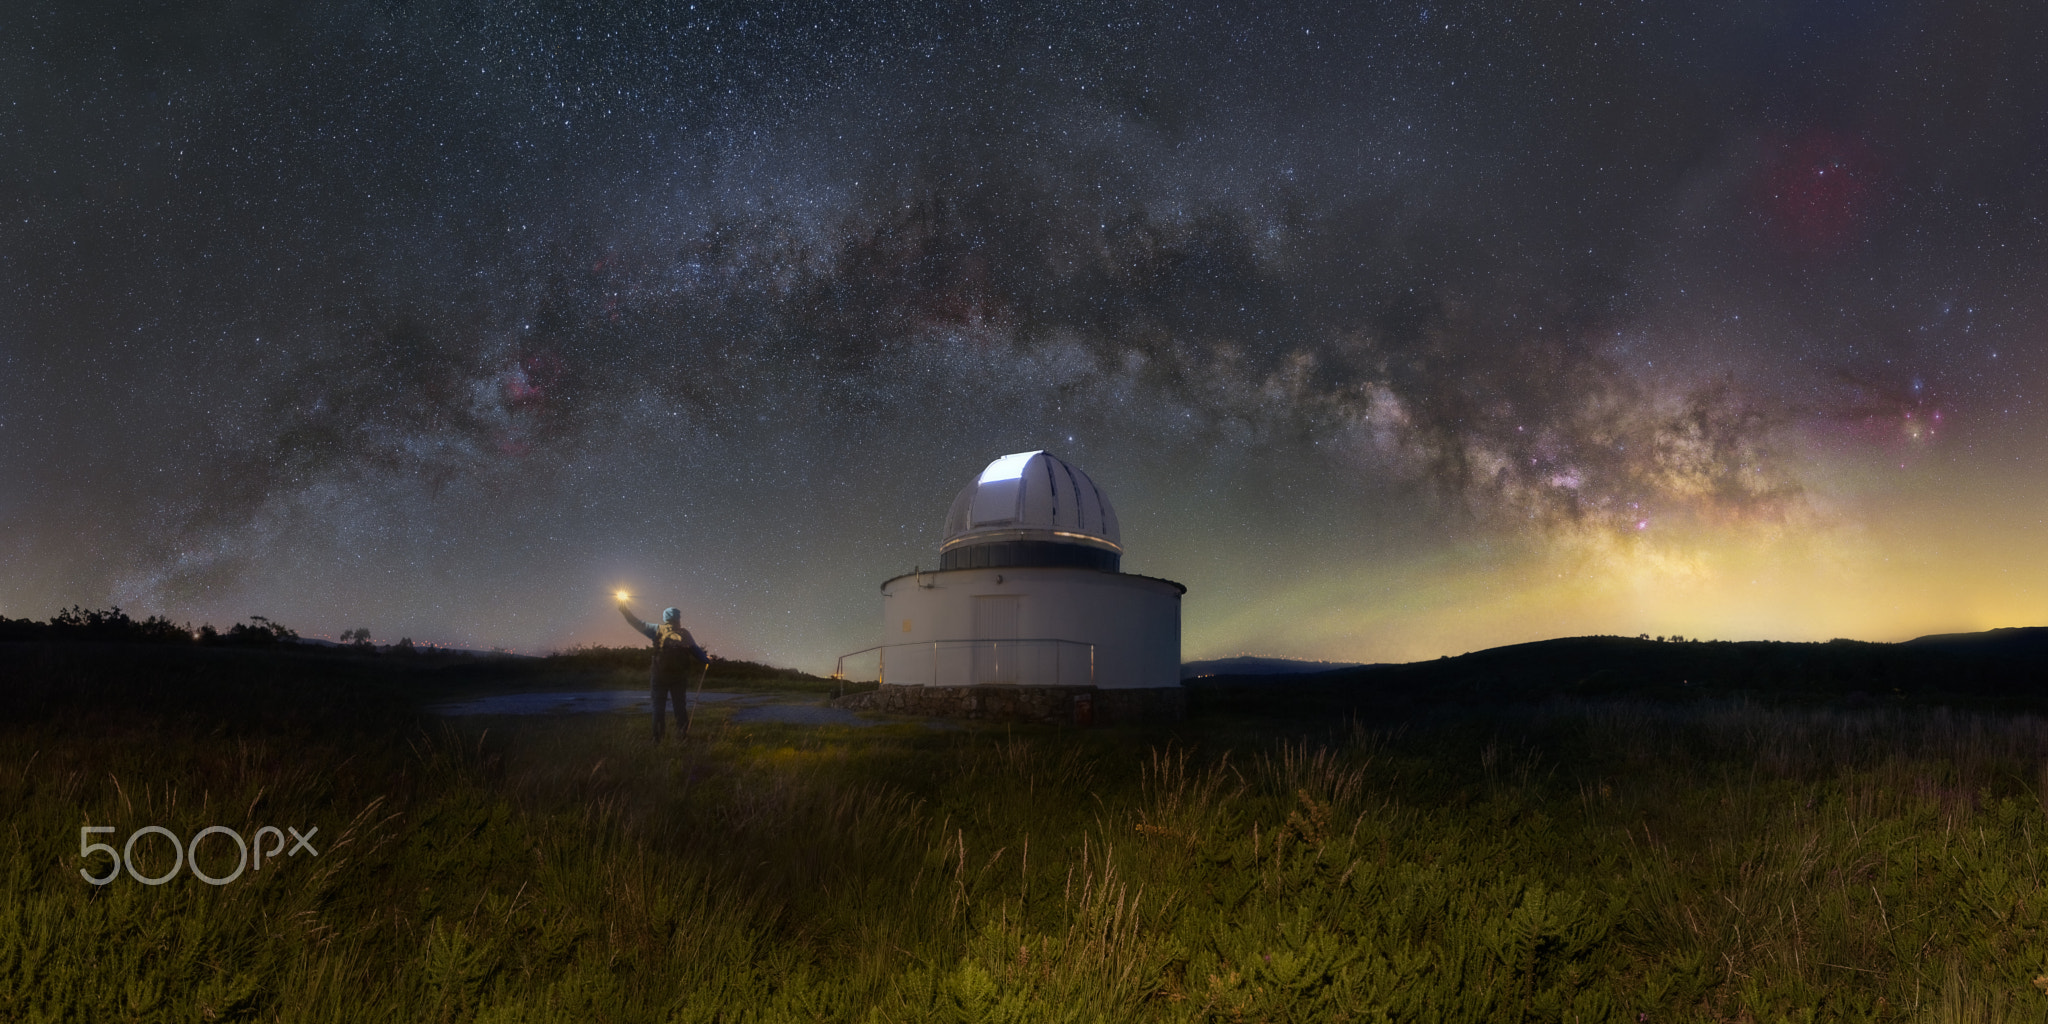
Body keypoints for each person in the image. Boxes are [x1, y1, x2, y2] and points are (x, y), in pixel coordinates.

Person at [617, 598, 707, 742]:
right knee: (680, 707)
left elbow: (636, 623)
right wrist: (707, 660)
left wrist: (625, 611)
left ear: (666, 618)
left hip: (659, 675)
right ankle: (683, 736)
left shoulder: (657, 629)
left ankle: (657, 739)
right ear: (678, 618)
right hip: (679, 677)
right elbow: (696, 650)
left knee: (658, 707)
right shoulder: (684, 633)